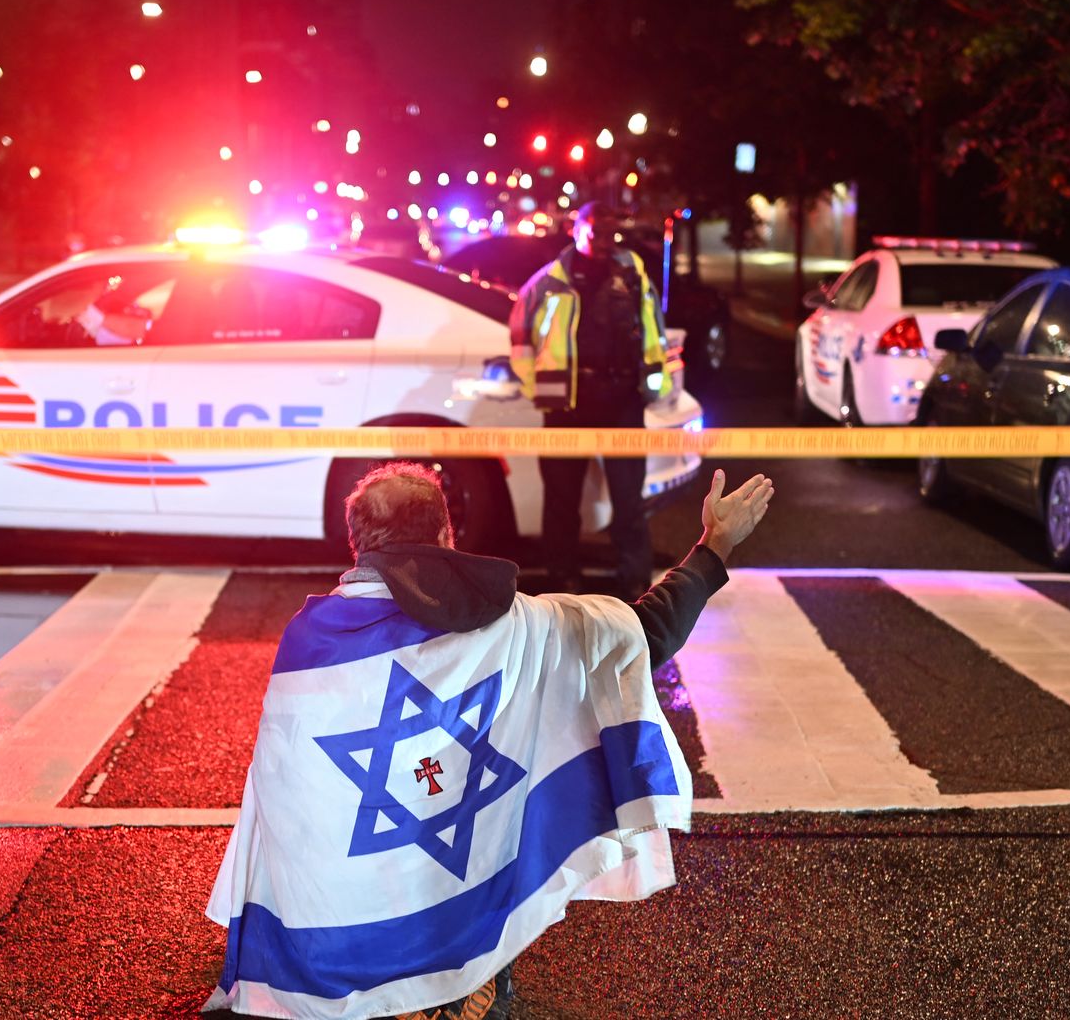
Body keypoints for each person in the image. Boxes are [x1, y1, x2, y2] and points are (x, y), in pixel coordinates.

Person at [206, 461, 774, 1019]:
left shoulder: (309, 642)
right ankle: (463, 983)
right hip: (458, 890)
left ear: (355, 548)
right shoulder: (515, 626)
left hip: (335, 937)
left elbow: (282, 803)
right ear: (447, 535)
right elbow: (642, 635)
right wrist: (713, 546)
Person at [510, 201, 676, 597]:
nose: (603, 241)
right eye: (595, 231)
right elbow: (520, 341)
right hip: (568, 407)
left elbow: (654, 332)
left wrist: (654, 386)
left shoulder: (633, 276)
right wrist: (540, 389)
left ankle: (634, 580)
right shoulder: (548, 283)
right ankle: (561, 577)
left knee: (628, 499)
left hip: (622, 403)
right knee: (562, 500)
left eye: (611, 232)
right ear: (576, 229)